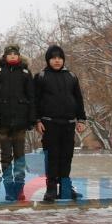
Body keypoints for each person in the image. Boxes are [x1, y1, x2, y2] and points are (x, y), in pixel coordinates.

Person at [34, 45, 87, 203]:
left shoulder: (71, 76)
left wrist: (81, 119)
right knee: (52, 157)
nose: (57, 61)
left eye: (59, 58)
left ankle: (65, 188)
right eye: (53, 58)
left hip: (69, 123)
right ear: (48, 60)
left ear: (63, 59)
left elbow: (78, 99)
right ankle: (51, 189)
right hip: (49, 123)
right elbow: (35, 101)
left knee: (66, 156)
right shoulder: (41, 76)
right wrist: (37, 121)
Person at [0, 44, 36, 201]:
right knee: (5, 157)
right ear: (4, 56)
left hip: (21, 122)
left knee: (20, 157)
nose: (13, 56)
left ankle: (19, 188)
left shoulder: (25, 73)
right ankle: (9, 188)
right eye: (10, 54)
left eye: (15, 54)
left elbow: (32, 97)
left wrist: (31, 119)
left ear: (19, 56)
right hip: (3, 122)